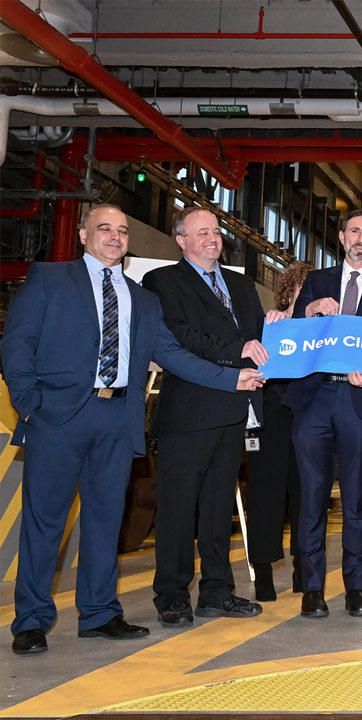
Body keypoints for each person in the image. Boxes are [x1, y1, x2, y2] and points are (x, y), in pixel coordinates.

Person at [3, 204, 263, 656]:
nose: (115, 236)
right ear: (83, 236)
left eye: (123, 230)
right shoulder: (49, 279)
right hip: (56, 418)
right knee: (45, 523)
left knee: (106, 521)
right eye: (104, 228)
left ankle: (100, 614)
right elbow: (17, 342)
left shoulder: (141, 298)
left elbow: (173, 354)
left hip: (117, 418)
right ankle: (31, 620)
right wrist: (29, 405)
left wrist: (232, 378)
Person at [143, 207, 268, 626]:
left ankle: (217, 589)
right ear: (181, 240)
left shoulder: (240, 283)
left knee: (219, 508)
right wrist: (238, 352)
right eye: (201, 233)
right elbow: (181, 335)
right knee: (178, 508)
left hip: (234, 410)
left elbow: (260, 338)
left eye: (215, 231)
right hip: (190, 411)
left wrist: (287, 324)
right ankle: (172, 593)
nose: (212, 239)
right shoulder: (163, 281)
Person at [282, 209, 362, 619]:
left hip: (359, 403)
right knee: (312, 499)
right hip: (314, 399)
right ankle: (312, 589)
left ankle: (356, 588)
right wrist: (309, 308)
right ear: (341, 236)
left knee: (355, 501)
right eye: (355, 230)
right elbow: (292, 332)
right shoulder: (315, 282)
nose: (361, 237)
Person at [246, 261, 312, 600]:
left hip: (307, 416)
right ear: (289, 289)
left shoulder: (320, 329)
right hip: (270, 416)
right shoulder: (267, 323)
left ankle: (305, 569)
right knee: (265, 495)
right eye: (302, 286)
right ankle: (263, 574)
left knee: (306, 496)